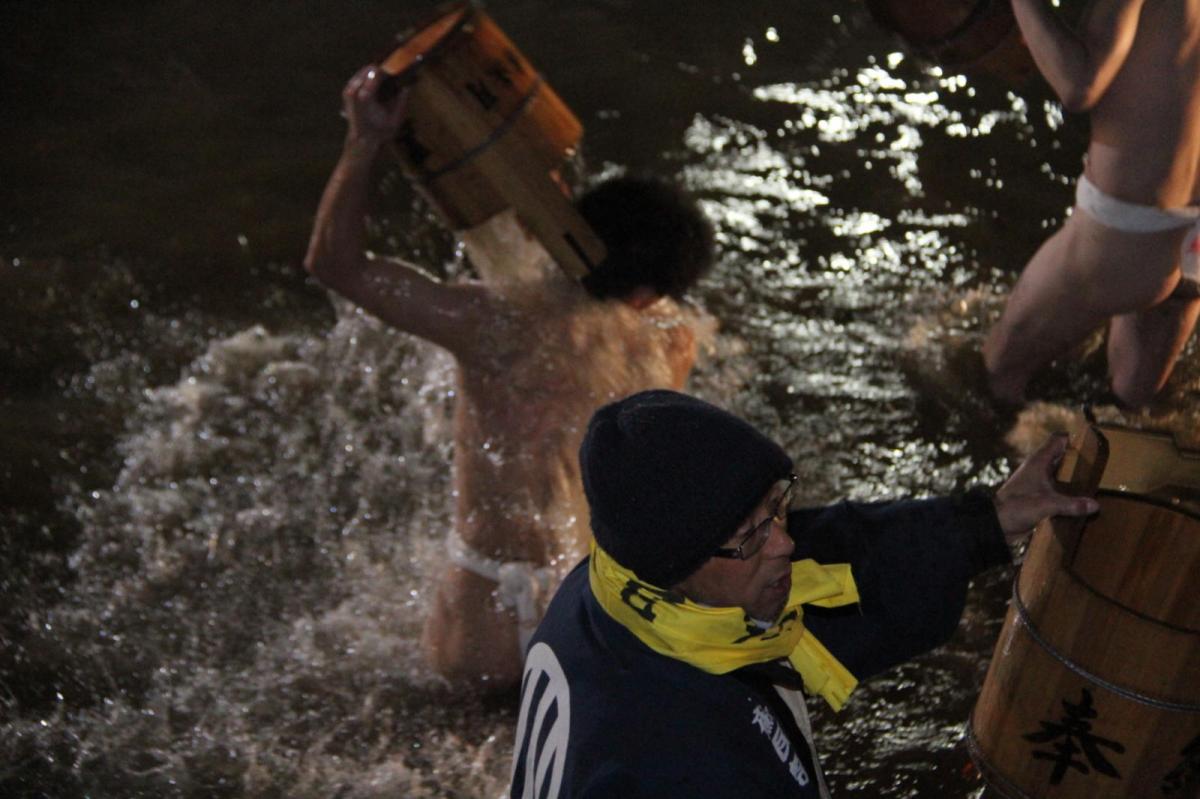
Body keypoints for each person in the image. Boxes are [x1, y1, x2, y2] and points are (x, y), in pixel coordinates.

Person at [304, 66, 715, 688]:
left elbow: (335, 264)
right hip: (588, 619)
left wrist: (365, 141)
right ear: (650, 289)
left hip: (480, 617)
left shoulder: (489, 320)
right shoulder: (672, 341)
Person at [509, 389, 1098, 798]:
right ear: (676, 568)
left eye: (776, 506)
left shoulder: (612, 589)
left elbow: (835, 556)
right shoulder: (685, 764)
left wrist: (986, 521)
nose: (784, 544)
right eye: (751, 535)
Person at [982, 0, 1200, 408]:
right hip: (1193, 232)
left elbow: (1080, 83)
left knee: (1000, 369)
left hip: (1131, 226)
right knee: (1128, 407)